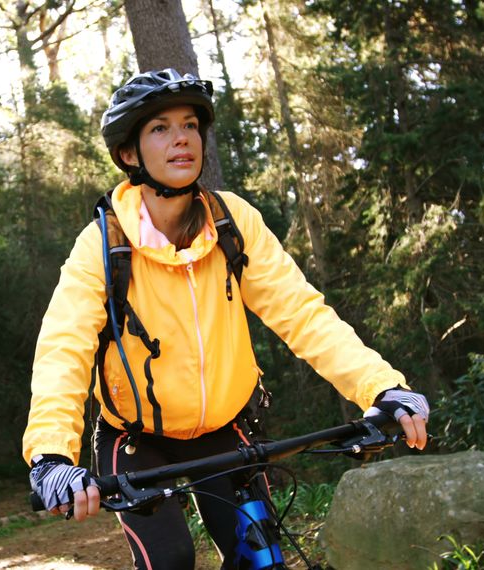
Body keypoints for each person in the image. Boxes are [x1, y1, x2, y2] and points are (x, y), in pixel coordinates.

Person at [22, 68, 429, 569]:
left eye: (190, 124)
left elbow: (301, 313)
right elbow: (64, 348)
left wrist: (382, 389)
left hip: (223, 426)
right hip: (136, 438)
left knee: (260, 558)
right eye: (160, 128)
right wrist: (51, 457)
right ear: (129, 154)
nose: (182, 139)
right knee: (170, 560)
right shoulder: (103, 246)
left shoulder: (231, 223)